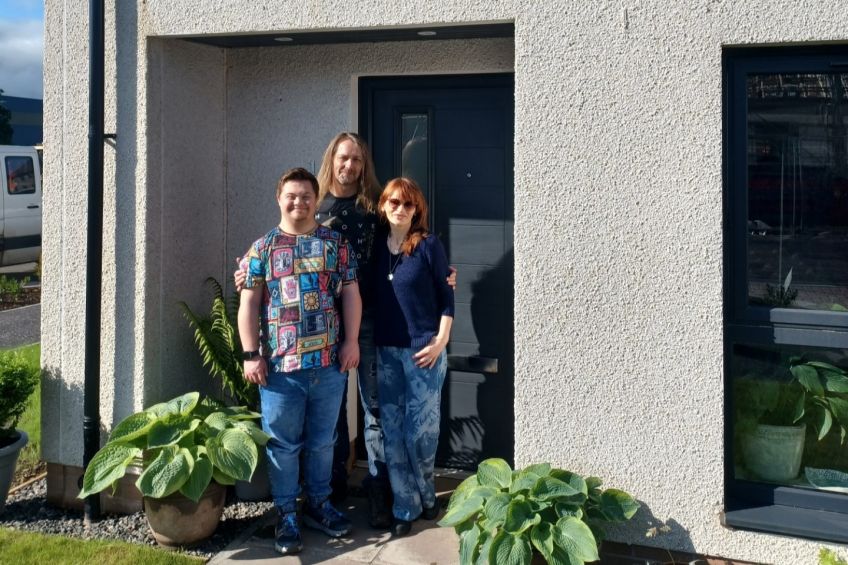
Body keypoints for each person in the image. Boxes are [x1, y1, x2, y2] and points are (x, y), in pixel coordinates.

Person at [234, 132, 456, 529]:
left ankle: (381, 487)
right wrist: (248, 273)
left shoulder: (374, 208)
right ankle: (327, 491)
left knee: (374, 408)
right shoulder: (312, 210)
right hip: (305, 334)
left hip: (366, 321)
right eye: (343, 158)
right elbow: (268, 266)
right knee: (330, 414)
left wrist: (440, 276)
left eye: (356, 159)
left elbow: (403, 244)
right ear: (331, 161)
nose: (349, 165)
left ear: (363, 164)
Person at [237, 167, 361, 555]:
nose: (299, 202)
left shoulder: (335, 243)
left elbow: (352, 295)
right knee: (284, 446)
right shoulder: (263, 249)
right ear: (279, 198)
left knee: (324, 443)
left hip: (327, 364)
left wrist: (351, 341)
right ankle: (287, 513)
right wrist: (250, 354)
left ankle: (319, 506)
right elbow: (249, 304)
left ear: (317, 200)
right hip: (280, 370)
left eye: (307, 196)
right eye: (292, 196)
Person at [372, 177, 454, 537]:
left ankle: (427, 495)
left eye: (408, 204)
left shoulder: (428, 246)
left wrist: (440, 342)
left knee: (419, 433)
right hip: (386, 350)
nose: (401, 209)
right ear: (383, 206)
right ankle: (405, 507)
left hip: (424, 351)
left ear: (417, 209)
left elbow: (447, 297)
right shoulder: (375, 247)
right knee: (391, 432)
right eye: (394, 202)